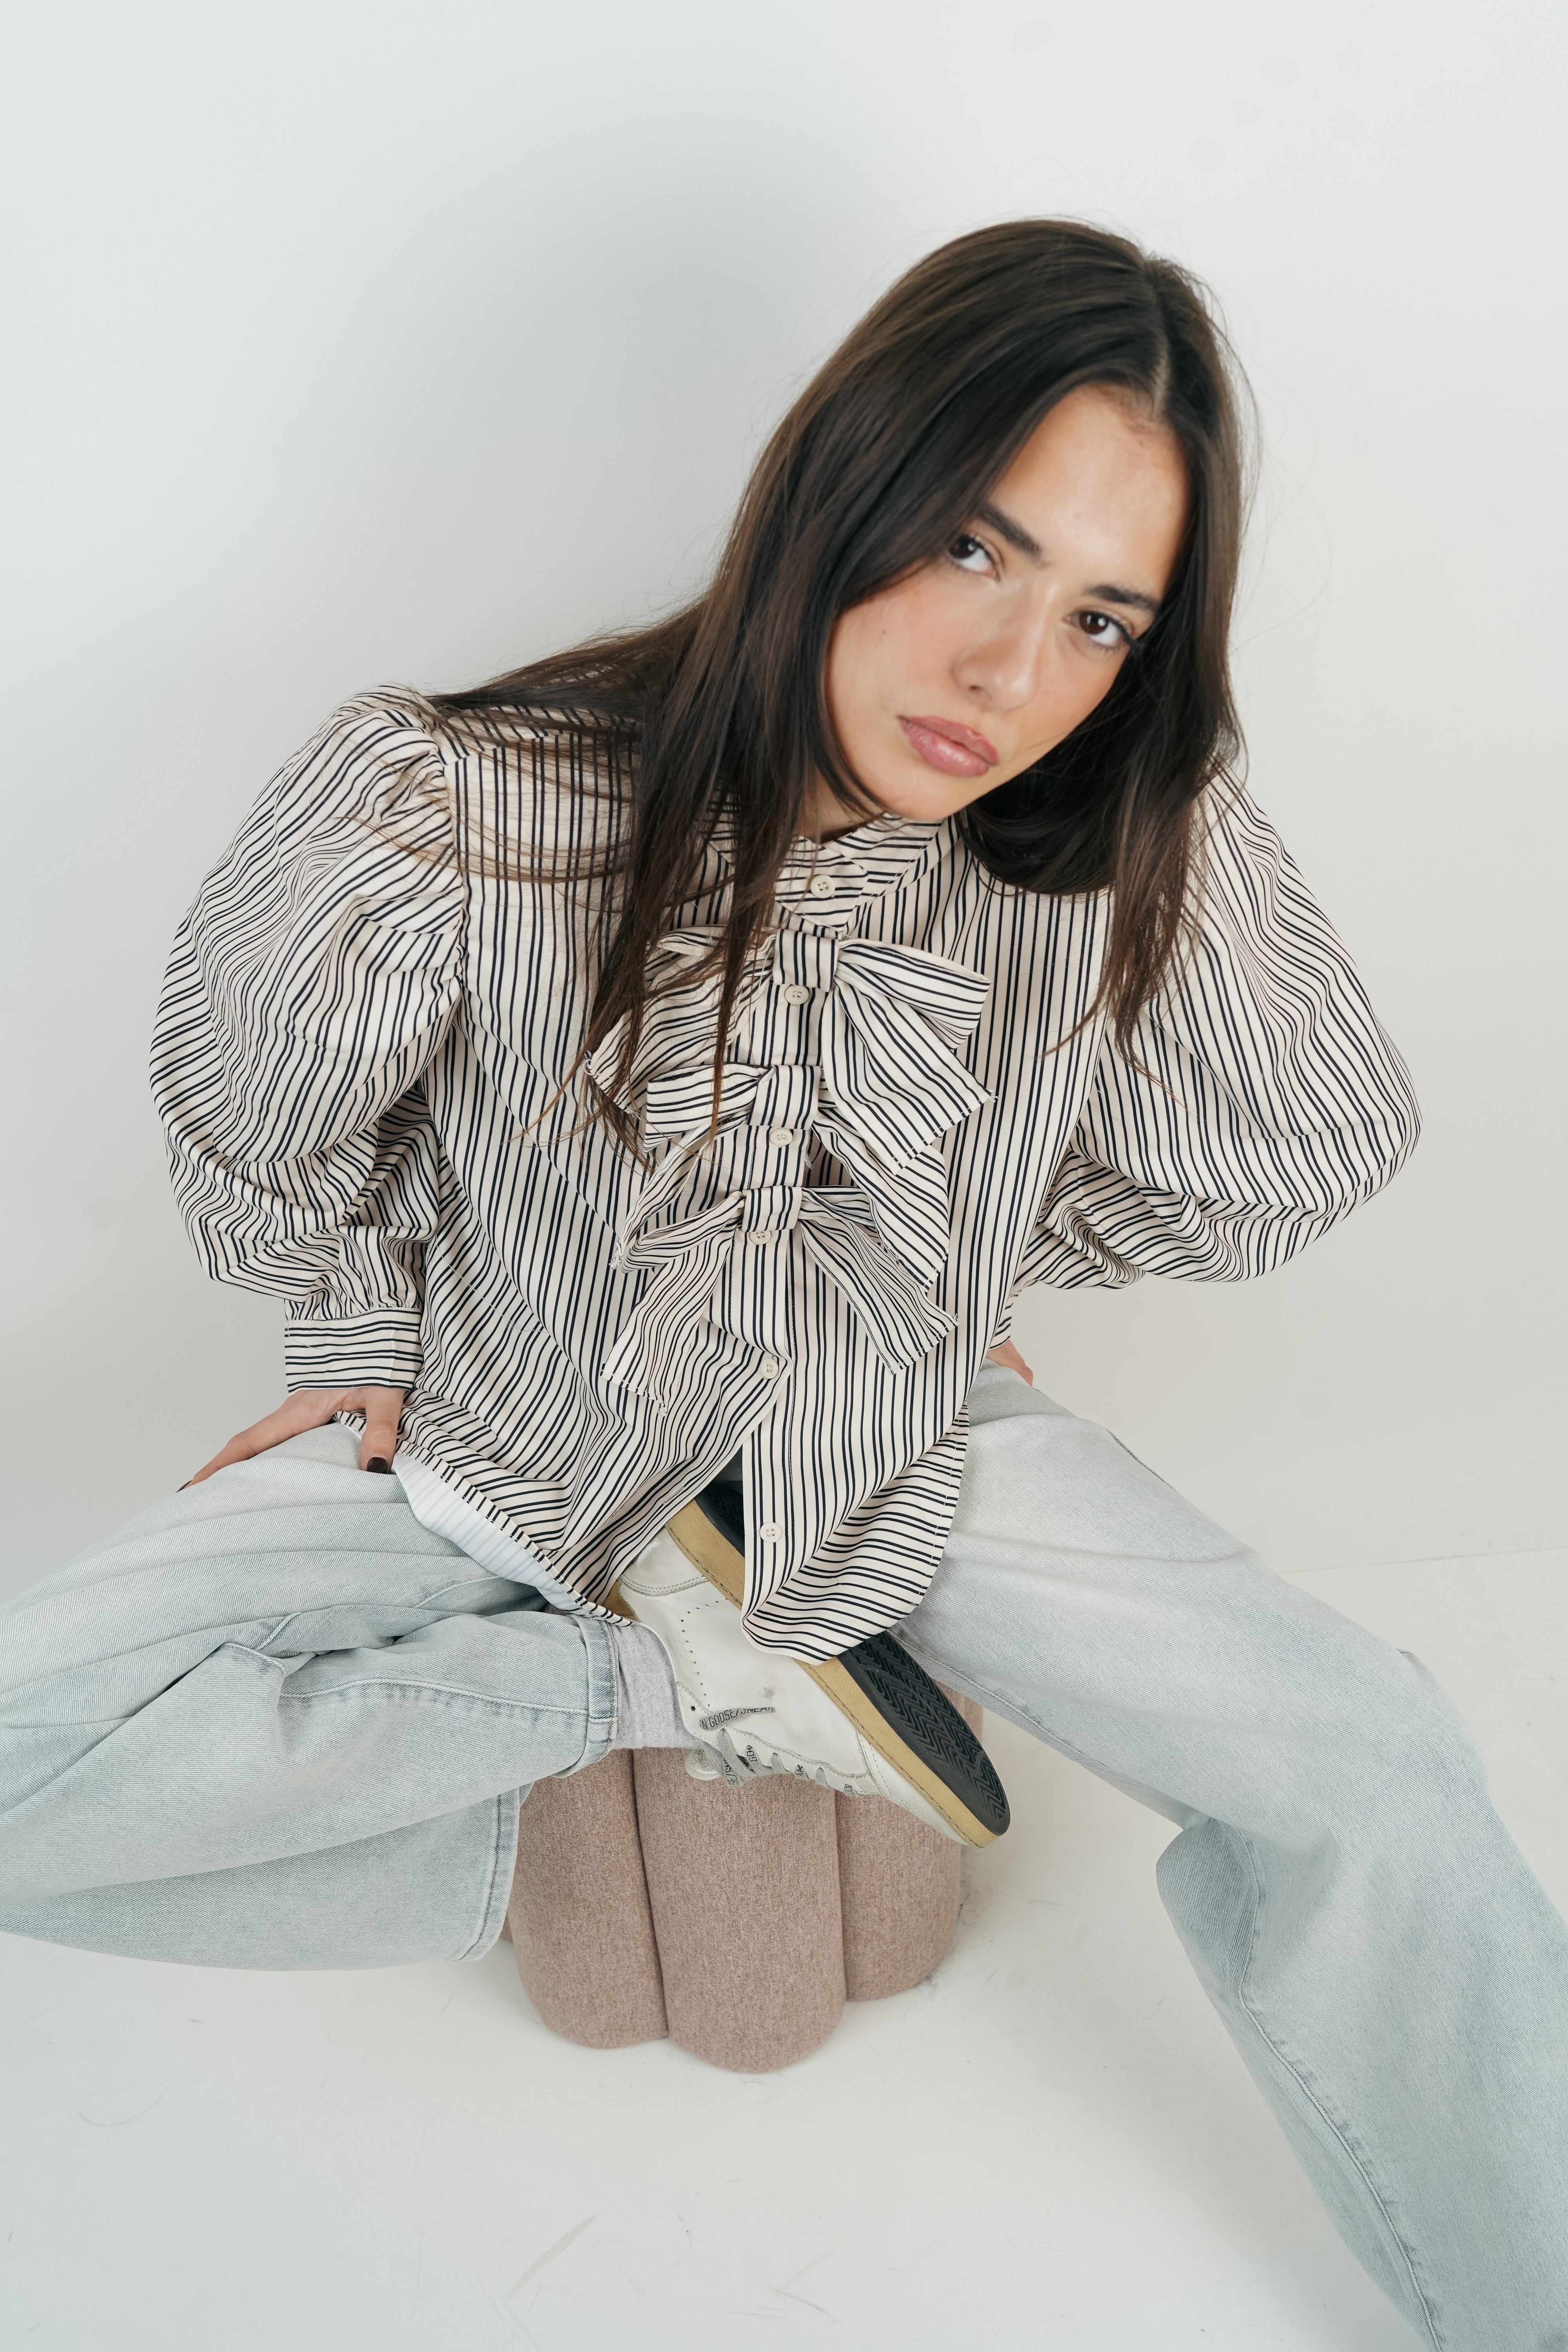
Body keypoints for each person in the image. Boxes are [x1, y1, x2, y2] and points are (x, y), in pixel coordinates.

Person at [1, 220, 1563, 2345]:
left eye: (1103, 618)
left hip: (900, 1444)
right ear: (847, 483)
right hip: (501, 1439)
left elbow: (1313, 1135)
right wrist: (354, 1326)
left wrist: (967, 1261)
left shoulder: (1093, 848)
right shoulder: (458, 799)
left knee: (1372, 1754)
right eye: (978, 549)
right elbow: (261, 1094)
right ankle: (659, 1688)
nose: (1010, 673)